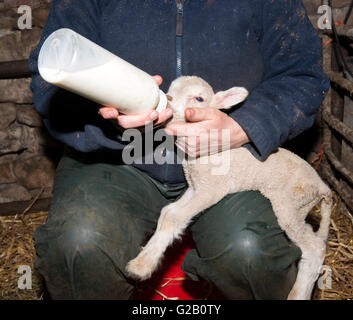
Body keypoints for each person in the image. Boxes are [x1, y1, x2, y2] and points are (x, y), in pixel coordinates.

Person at [29, 0, 330, 299]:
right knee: (78, 245)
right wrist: (107, 112)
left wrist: (244, 127)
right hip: (117, 158)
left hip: (228, 160)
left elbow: (301, 75)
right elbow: (51, 79)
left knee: (252, 254)